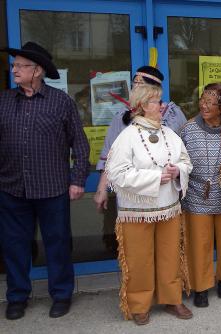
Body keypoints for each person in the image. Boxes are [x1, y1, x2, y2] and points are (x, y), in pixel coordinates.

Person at [0, 42, 90, 319]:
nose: (13, 69)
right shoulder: (3, 101)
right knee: (14, 245)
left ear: (37, 70)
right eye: (14, 65)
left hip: (52, 189)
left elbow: (81, 144)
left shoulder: (61, 101)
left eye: (20, 65)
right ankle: (17, 297)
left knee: (58, 243)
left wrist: (77, 180)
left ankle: (61, 294)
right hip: (11, 187)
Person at [105, 84, 193, 325]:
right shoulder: (127, 137)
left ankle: (172, 298)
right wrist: (156, 178)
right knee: (139, 259)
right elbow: (117, 175)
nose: (163, 105)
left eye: (161, 101)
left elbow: (186, 161)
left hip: (169, 207)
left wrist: (178, 171)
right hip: (138, 211)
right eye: (157, 102)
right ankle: (139, 304)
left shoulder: (170, 134)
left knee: (170, 255)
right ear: (143, 106)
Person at [94, 66, 187, 211]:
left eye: (140, 83)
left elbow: (185, 154)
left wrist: (178, 172)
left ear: (154, 88)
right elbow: (110, 157)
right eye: (134, 83)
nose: (135, 87)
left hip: (167, 195)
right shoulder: (122, 117)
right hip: (134, 196)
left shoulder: (173, 114)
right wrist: (102, 189)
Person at [180, 82, 221, 308]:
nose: (204, 105)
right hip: (196, 195)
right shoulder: (188, 129)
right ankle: (201, 286)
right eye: (202, 100)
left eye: (210, 103)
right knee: (199, 243)